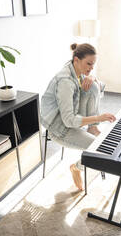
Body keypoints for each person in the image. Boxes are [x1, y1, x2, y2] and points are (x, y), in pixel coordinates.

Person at [41, 43, 116, 191]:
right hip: (60, 128)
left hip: (71, 116)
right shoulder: (65, 82)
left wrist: (93, 77)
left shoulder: (77, 69)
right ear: (76, 60)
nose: (91, 68)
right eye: (89, 64)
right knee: (99, 150)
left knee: (93, 85)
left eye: (93, 65)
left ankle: (92, 129)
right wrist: (98, 118)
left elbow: (100, 86)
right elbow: (69, 121)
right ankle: (76, 168)